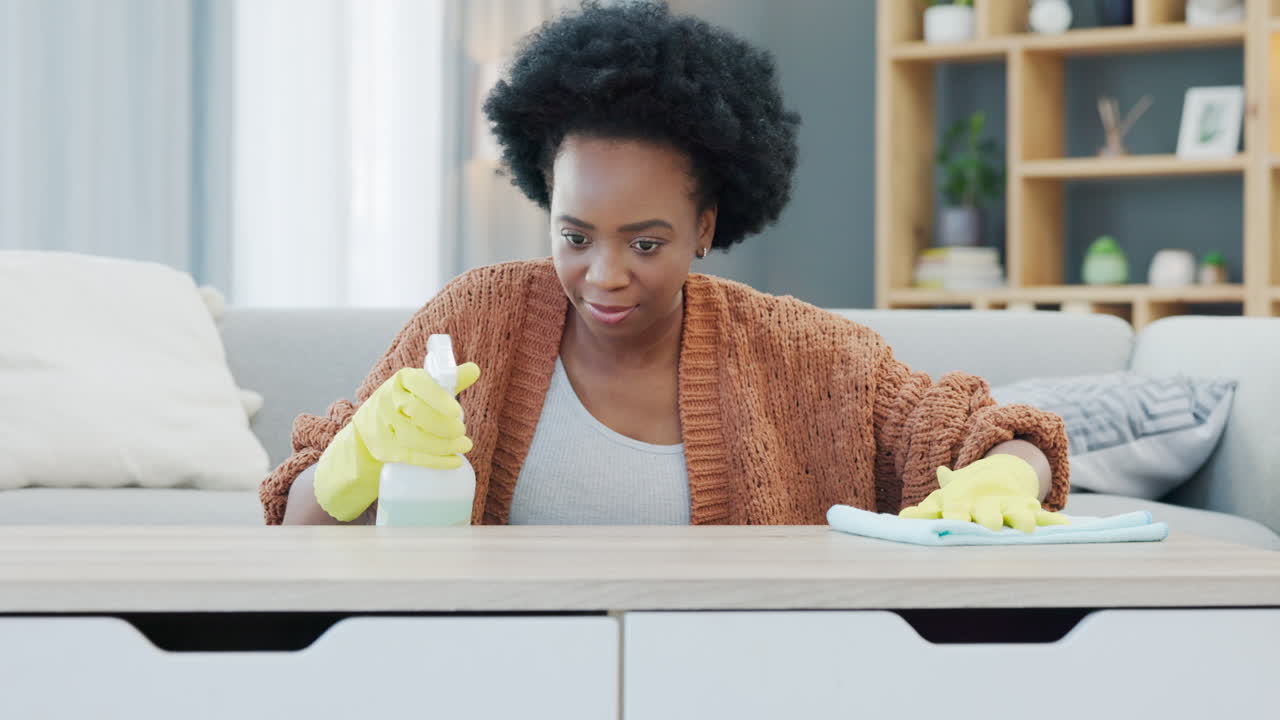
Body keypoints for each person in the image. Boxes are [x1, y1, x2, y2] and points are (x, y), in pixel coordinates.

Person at [261, 1, 1069, 528]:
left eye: (645, 243)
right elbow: (295, 526)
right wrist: (351, 464)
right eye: (576, 236)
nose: (605, 274)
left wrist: (1007, 478)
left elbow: (1000, 433)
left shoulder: (800, 354)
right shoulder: (473, 321)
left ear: (706, 227)